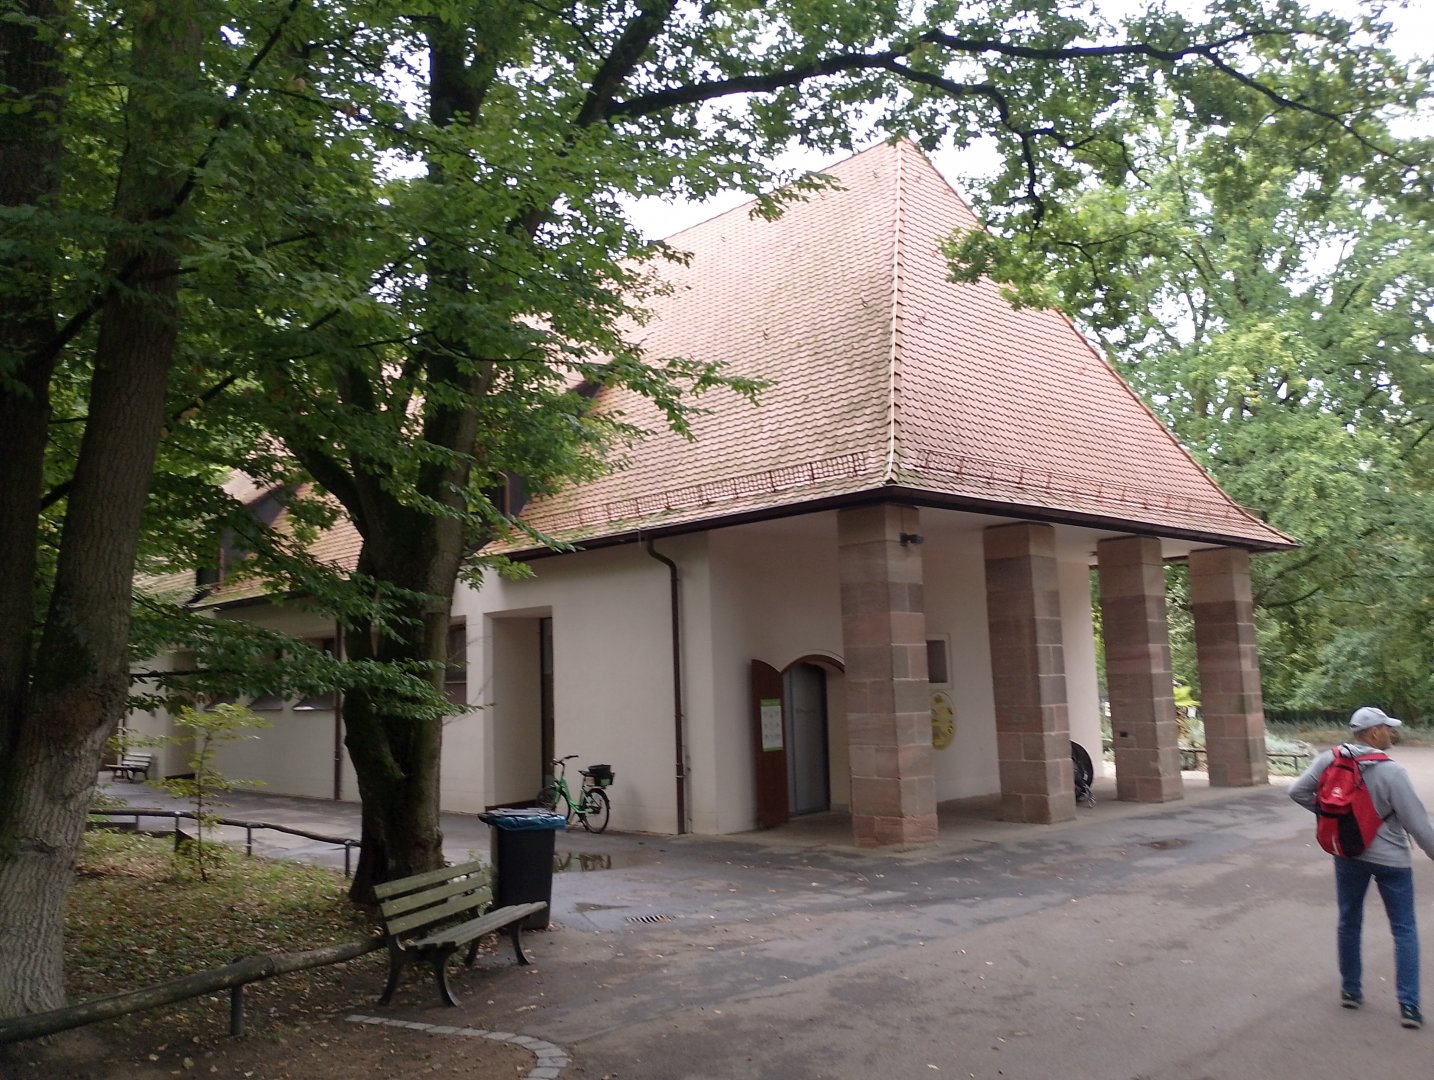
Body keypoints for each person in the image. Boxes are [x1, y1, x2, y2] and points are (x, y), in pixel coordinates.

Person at [1290, 706, 1434, 1029]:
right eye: (1387, 728)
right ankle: (1409, 1006)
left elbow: (1296, 790)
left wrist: (1331, 815)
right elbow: (1419, 826)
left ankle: (1350, 991)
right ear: (1373, 733)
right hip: (1392, 862)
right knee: (1404, 930)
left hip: (1348, 855)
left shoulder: (1330, 759)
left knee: (1348, 921)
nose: (1392, 733)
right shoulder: (1393, 772)